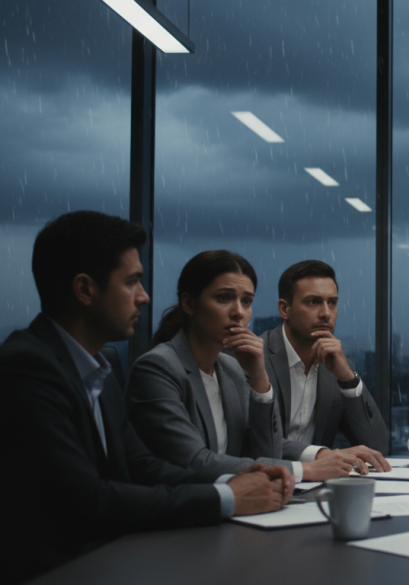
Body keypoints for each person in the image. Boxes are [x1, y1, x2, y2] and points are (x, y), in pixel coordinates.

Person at [0, 211, 291, 583]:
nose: (144, 296)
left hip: (113, 556)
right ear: (85, 289)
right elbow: (89, 501)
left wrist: (231, 483)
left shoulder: (100, 362)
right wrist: (228, 498)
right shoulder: (27, 366)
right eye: (133, 281)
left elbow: (142, 466)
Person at [127, 251, 352, 481]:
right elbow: (193, 461)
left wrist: (259, 378)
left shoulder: (230, 368)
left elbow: (266, 452)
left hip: (241, 504)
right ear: (189, 303)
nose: (238, 312)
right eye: (224, 298)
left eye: (246, 301)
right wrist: (305, 470)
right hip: (182, 511)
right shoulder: (157, 368)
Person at [260, 260, 390, 475]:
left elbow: (378, 446)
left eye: (332, 303)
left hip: (318, 489)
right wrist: (320, 454)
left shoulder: (338, 364)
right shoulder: (255, 359)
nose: (326, 313)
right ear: (284, 309)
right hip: (265, 483)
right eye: (313, 302)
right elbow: (257, 443)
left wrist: (348, 378)